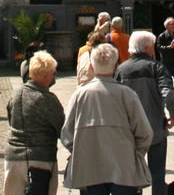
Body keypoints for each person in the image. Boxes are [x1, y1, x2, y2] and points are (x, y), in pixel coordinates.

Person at [61, 42, 153, 195]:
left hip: (89, 168)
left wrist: (80, 151)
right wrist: (135, 154)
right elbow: (145, 133)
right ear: (116, 67)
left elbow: (66, 134)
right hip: (124, 167)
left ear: (91, 67)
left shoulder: (79, 95)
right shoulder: (127, 94)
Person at [116, 31, 174, 195]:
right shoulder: (157, 67)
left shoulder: (121, 70)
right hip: (155, 128)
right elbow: (168, 93)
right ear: (146, 47)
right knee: (158, 174)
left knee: (130, 174)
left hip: (128, 131)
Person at [5, 50, 65, 195]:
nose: (53, 76)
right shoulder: (47, 99)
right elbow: (62, 128)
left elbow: (10, 118)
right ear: (46, 75)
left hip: (13, 157)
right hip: (40, 158)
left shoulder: (16, 94)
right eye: (52, 73)